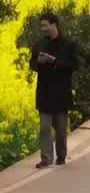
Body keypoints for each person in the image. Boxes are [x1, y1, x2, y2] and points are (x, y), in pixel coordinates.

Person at [30, 12, 76, 169]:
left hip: (61, 93)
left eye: (45, 25)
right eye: (41, 26)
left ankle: (61, 156)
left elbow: (72, 66)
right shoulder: (39, 44)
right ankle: (46, 158)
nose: (43, 29)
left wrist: (55, 61)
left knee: (61, 130)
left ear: (54, 24)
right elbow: (33, 65)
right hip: (44, 92)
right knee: (44, 127)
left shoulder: (68, 44)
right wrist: (39, 61)